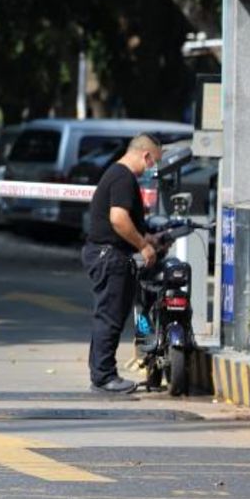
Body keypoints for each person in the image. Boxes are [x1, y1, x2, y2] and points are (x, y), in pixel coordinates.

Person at [83, 133, 163, 394]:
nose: (151, 168)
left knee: (108, 314)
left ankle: (101, 373)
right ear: (146, 155)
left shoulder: (117, 174)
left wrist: (146, 237)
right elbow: (118, 219)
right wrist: (142, 246)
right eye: (153, 162)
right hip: (110, 256)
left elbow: (123, 221)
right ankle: (105, 376)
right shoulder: (123, 177)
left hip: (108, 253)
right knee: (110, 316)